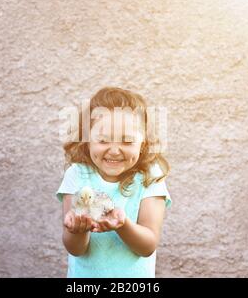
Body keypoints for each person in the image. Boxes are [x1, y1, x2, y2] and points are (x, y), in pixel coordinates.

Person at [56, 86, 172, 278]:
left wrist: (122, 225)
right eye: (103, 141)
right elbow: (75, 249)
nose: (115, 150)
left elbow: (148, 246)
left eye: (127, 142)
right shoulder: (77, 174)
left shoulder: (150, 176)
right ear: (87, 140)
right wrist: (78, 229)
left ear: (143, 143)